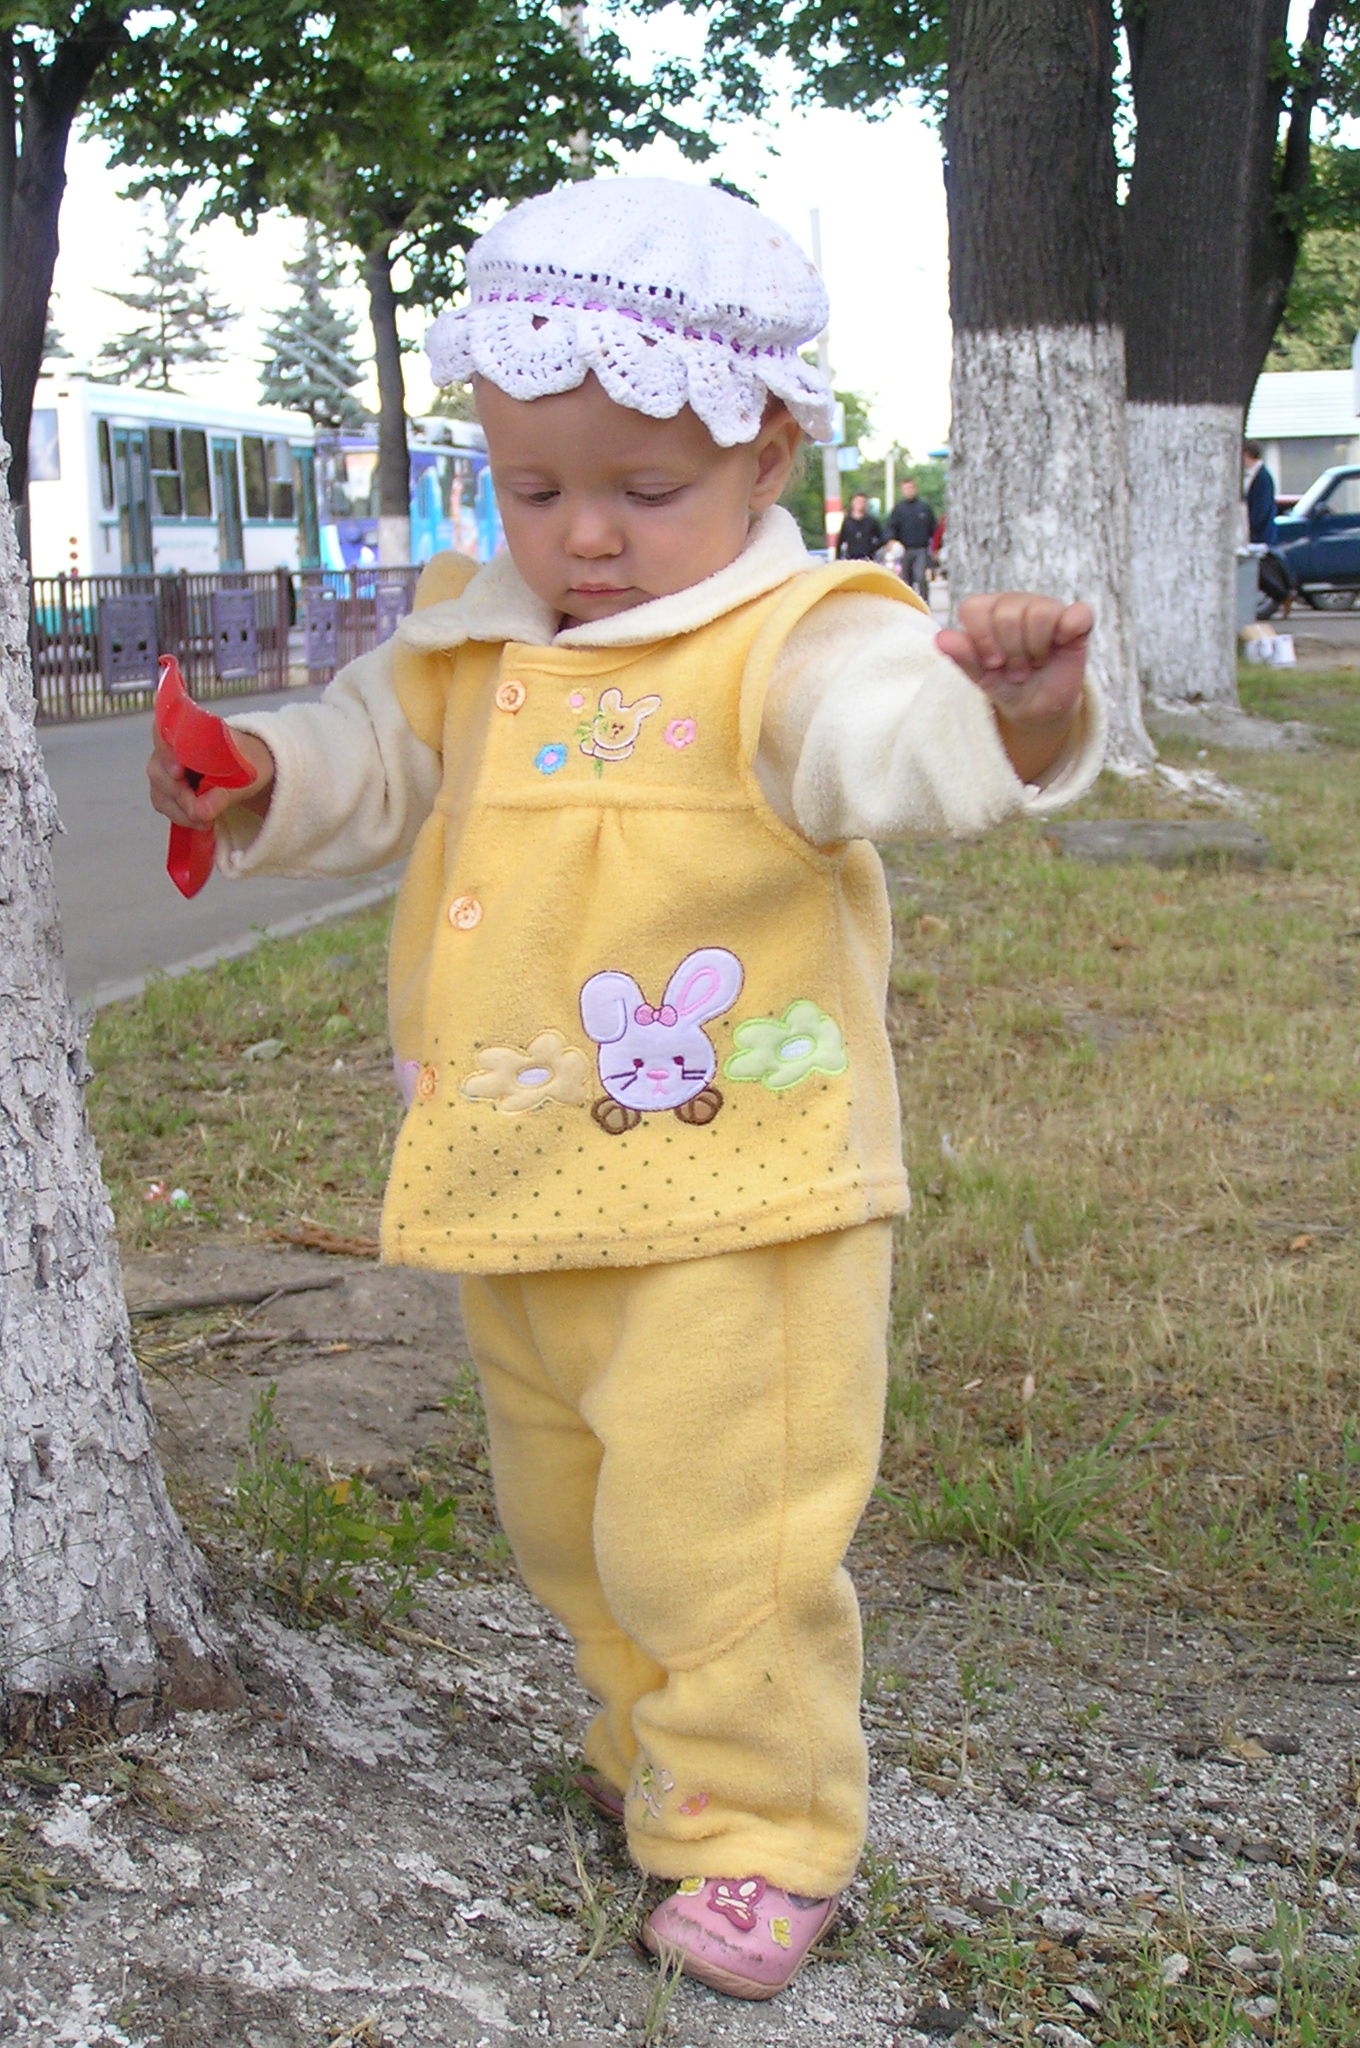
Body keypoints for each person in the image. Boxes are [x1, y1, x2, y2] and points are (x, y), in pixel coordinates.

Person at [148, 178, 1102, 2006]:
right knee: (571, 1518)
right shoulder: (474, 632)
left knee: (720, 1534)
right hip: (524, 1177)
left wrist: (1014, 712)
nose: (583, 535)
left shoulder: (796, 636)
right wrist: (255, 766)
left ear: (766, 456)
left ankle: (768, 1826)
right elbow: (368, 749)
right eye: (532, 487)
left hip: (744, 1204)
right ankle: (661, 1748)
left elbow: (889, 738)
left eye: (644, 490)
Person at [885, 476, 935, 598]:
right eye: (906, 488)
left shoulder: (924, 508)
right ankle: (908, 601)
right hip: (905, 549)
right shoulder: (898, 509)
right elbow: (891, 527)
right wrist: (890, 540)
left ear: (915, 489)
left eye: (911, 488)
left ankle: (924, 601)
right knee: (906, 579)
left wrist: (935, 547)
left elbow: (933, 528)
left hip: (921, 548)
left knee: (920, 576)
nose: (909, 491)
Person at [1243, 440, 1277, 546]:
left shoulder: (1262, 478)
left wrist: (1250, 527)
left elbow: (1261, 508)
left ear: (1246, 454)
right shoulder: (1253, 474)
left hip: (1260, 536)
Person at [834, 491, 882, 560]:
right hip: (851, 558)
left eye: (863, 502)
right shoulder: (847, 522)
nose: (860, 504)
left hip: (868, 558)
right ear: (852, 503)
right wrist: (837, 558)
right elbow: (840, 541)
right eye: (858, 501)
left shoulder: (871, 521)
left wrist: (873, 548)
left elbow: (881, 538)